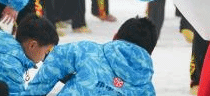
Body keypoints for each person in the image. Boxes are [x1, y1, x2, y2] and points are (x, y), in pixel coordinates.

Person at [25, 16, 157, 95]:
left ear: (115, 36)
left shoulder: (88, 50)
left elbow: (57, 57)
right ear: (149, 53)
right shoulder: (146, 88)